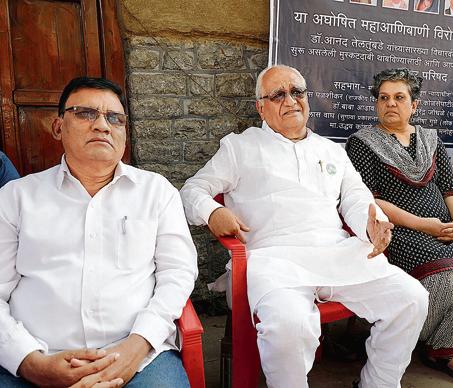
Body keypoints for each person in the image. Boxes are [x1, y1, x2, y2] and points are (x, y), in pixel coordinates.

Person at [180, 65, 428, 388]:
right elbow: (191, 191)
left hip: (336, 253)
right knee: (288, 326)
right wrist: (213, 212)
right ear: (261, 107)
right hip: (273, 260)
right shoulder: (239, 148)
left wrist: (372, 222)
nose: (291, 100)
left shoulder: (330, 150)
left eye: (297, 92)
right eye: (278, 94)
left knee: (412, 298)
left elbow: (354, 197)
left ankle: (378, 382)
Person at [0, 77, 198, 387]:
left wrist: (138, 344)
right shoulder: (16, 198)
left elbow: (178, 274)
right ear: (57, 127)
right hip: (36, 356)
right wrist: (30, 362)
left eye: (114, 118)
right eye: (86, 113)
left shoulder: (156, 193)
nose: (102, 125)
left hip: (138, 358)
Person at [346, 68, 453, 387]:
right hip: (401, 231)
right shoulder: (362, 143)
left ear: (414, 105)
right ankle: (413, 343)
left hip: (445, 227)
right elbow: (372, 201)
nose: (390, 103)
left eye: (399, 97)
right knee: (444, 278)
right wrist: (426, 226)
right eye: (383, 98)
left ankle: (441, 345)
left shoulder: (431, 139)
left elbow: (451, 189)